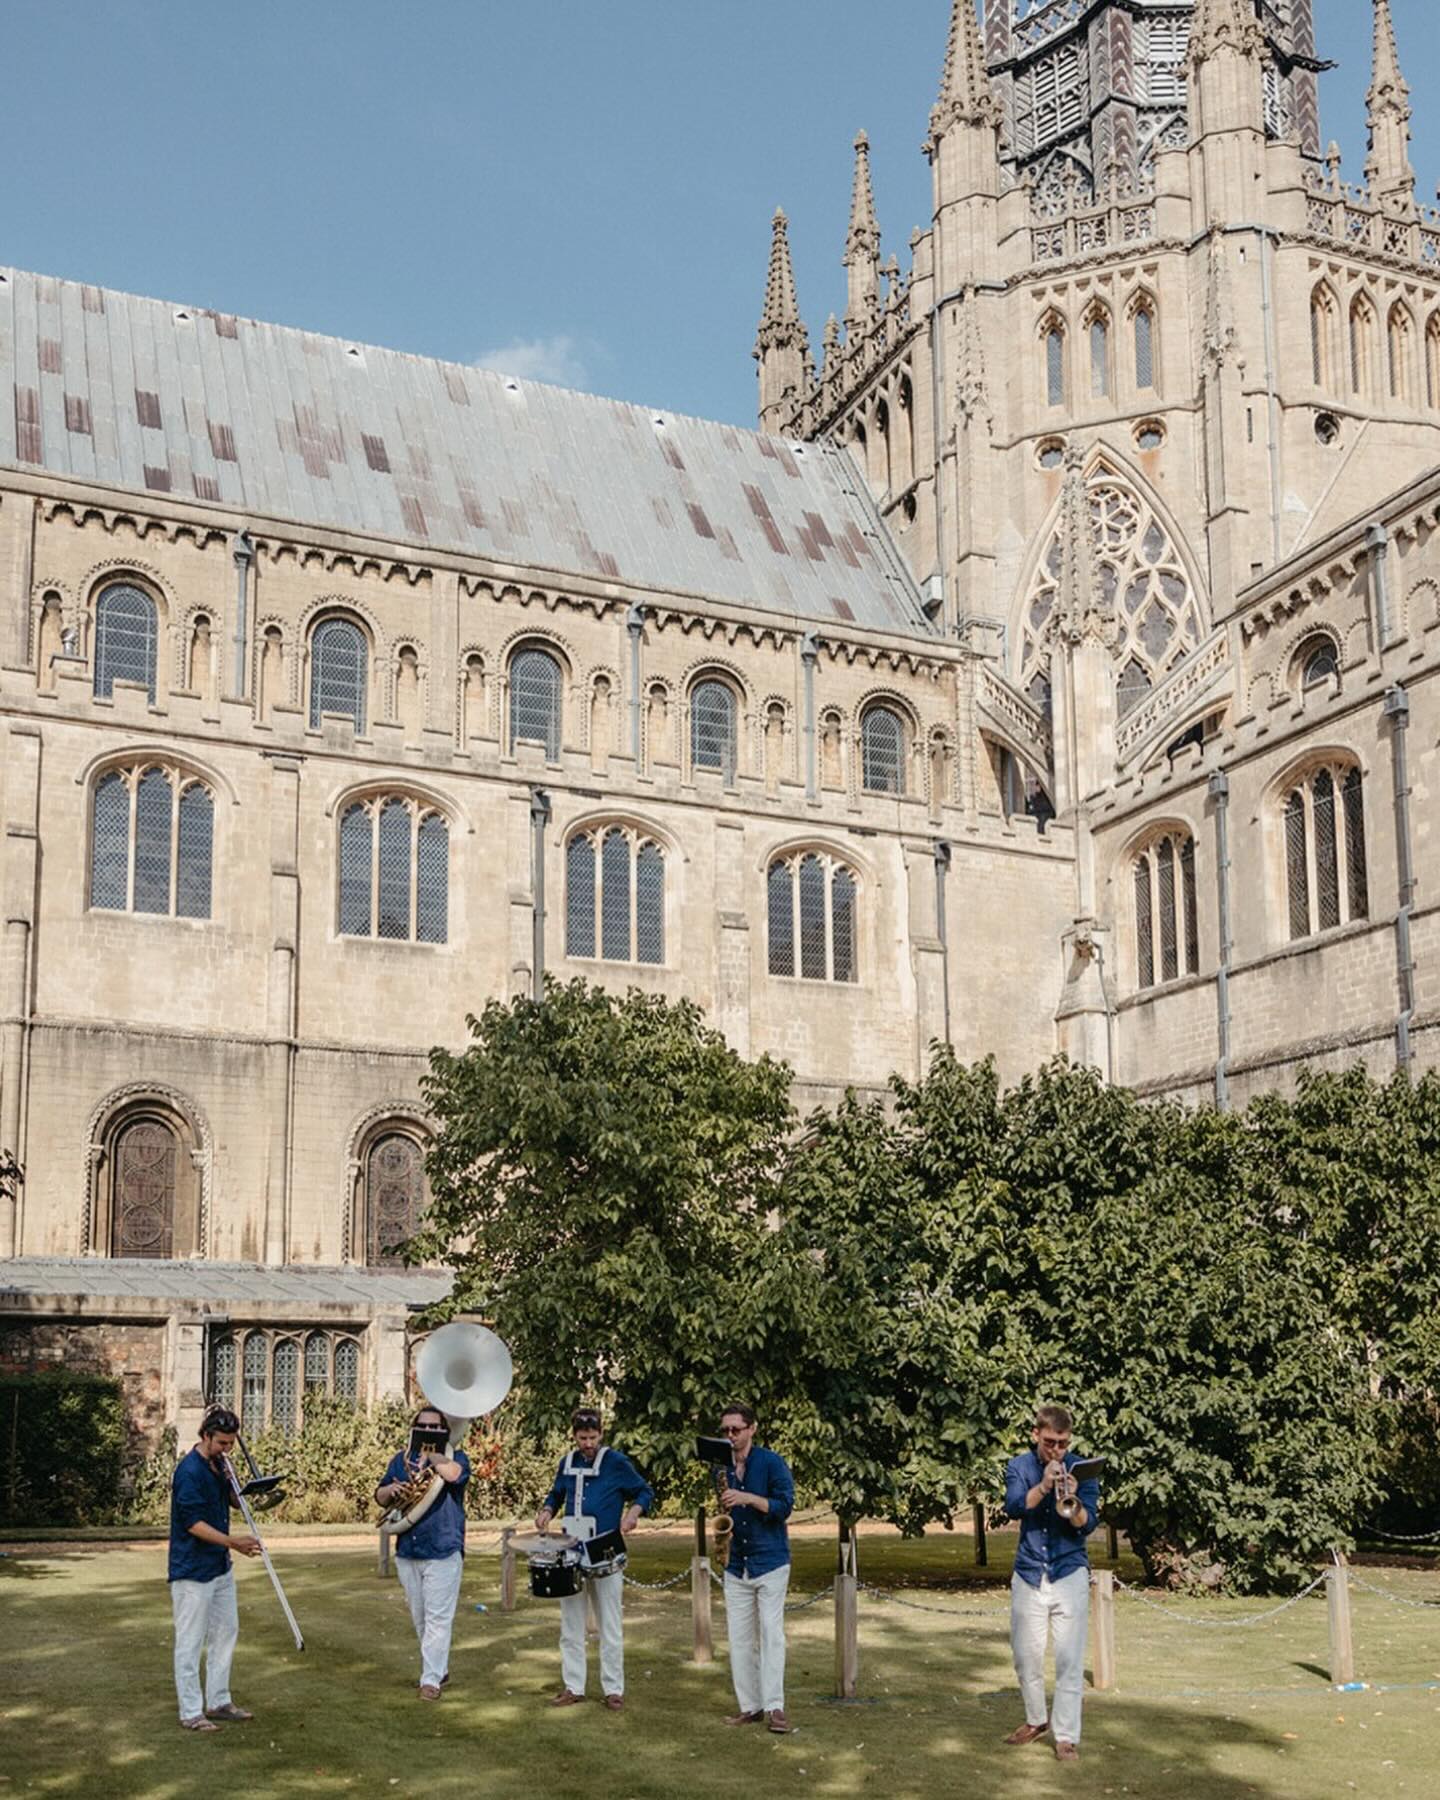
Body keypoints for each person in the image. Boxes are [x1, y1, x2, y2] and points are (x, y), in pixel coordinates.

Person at [1002, 1403, 1102, 1764]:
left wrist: (1072, 1501)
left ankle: (1066, 1737)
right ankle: (1035, 1720)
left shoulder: (1083, 1469)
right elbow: (1013, 1506)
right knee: (1026, 1657)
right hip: (1029, 1571)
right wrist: (1044, 1486)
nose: (1056, 1450)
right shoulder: (1020, 1466)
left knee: (1069, 1660)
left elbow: (1087, 1525)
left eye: (1062, 1443)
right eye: (1049, 1443)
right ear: (1036, 1435)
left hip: (1069, 1571)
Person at [534, 1406, 652, 1710]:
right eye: (582, 1437)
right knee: (570, 1623)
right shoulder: (566, 1462)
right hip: (571, 1549)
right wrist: (547, 1510)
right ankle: (574, 1685)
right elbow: (556, 1493)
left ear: (601, 1433)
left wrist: (633, 1514)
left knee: (609, 1623)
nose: (587, 1443)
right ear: (574, 1435)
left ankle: (613, 1688)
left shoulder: (616, 1462)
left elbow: (643, 1492)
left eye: (592, 1437)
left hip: (604, 1548)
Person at [168, 1406, 260, 1732]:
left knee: (225, 1633)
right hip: (192, 1569)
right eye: (221, 1443)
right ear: (205, 1435)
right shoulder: (189, 1472)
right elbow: (193, 1523)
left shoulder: (219, 1465)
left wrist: (237, 1481)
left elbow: (236, 1503)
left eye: (231, 1444)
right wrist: (233, 1542)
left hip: (220, 1567)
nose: (226, 1449)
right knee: (190, 1641)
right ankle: (191, 1712)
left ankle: (219, 1701)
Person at [375, 1406, 472, 1699]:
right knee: (420, 1617)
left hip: (442, 1547)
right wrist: (393, 1489)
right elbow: (379, 1496)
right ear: (413, 1428)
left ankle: (430, 1680)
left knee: (438, 1618)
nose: (428, 1432)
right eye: (423, 1427)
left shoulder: (455, 1456)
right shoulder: (400, 1460)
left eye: (435, 1428)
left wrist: (434, 1456)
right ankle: (438, 1668)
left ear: (444, 1431)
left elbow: (455, 1476)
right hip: (408, 1548)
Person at [716, 1402, 795, 1735]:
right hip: (737, 1563)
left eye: (736, 1429)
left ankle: (776, 1707)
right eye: (725, 1431)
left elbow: (784, 1506)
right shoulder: (720, 1466)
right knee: (740, 1640)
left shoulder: (772, 1462)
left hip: (770, 1560)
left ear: (752, 1429)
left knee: (771, 1636)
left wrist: (747, 1499)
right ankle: (750, 1707)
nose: (730, 1436)